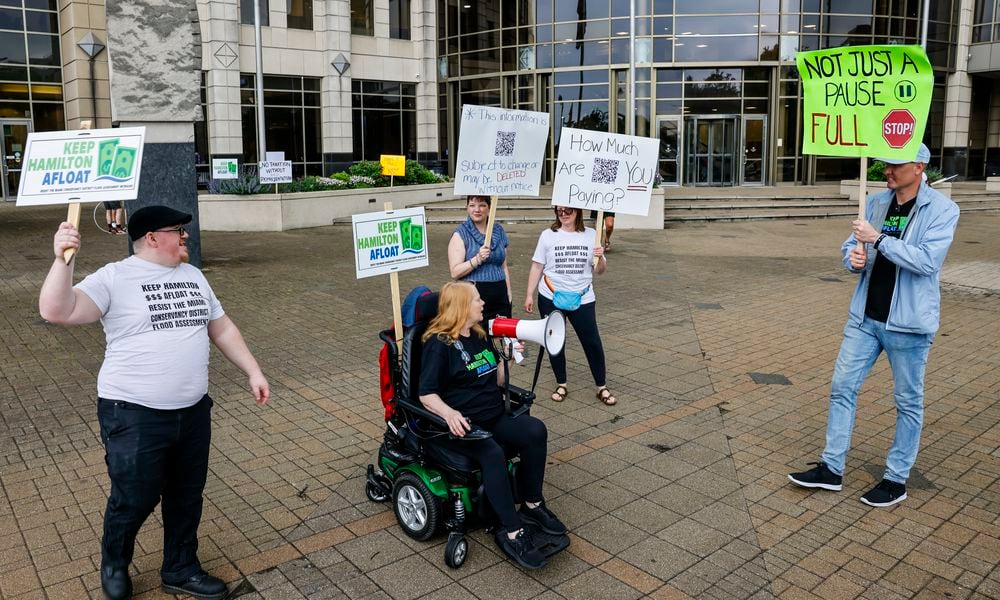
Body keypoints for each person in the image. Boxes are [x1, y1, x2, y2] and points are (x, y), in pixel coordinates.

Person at [39, 206, 270, 600]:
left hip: (193, 412)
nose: (185, 237)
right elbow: (56, 310)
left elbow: (221, 326)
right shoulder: (115, 277)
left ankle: (180, 567)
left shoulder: (193, 275)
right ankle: (114, 561)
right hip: (132, 413)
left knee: (186, 493)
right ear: (151, 238)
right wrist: (64, 260)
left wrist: (253, 369)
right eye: (178, 231)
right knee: (134, 496)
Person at [788, 143, 959, 508]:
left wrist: (879, 240)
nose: (888, 171)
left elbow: (928, 261)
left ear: (919, 165)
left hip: (909, 324)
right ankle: (831, 469)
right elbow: (853, 249)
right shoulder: (877, 202)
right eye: (885, 164)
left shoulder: (943, 209)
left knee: (908, 402)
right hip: (866, 318)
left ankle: (896, 479)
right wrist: (854, 259)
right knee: (841, 388)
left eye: (896, 165)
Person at [418, 281, 565, 570]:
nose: (482, 302)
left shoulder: (479, 334)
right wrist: (448, 414)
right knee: (493, 453)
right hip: (462, 427)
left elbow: (497, 379)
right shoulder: (438, 346)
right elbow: (426, 394)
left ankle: (533, 505)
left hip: (493, 416)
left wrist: (508, 357)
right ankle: (512, 530)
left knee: (535, 431)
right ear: (461, 307)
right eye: (476, 299)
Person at [524, 206, 615, 406]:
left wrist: (600, 255)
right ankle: (561, 383)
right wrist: (529, 294)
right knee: (555, 341)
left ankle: (601, 386)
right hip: (550, 295)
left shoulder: (591, 235)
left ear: (578, 212)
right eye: (559, 211)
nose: (564, 215)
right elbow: (537, 265)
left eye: (569, 211)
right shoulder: (548, 235)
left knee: (592, 342)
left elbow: (599, 270)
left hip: (582, 297)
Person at [448, 195, 512, 322]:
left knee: (502, 337)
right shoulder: (461, 234)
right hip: (473, 296)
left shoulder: (498, 231)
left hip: (500, 294)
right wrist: (477, 259)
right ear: (467, 208)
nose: (477, 209)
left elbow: (503, 266)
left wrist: (508, 291)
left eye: (482, 205)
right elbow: (454, 272)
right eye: (472, 205)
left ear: (489, 208)